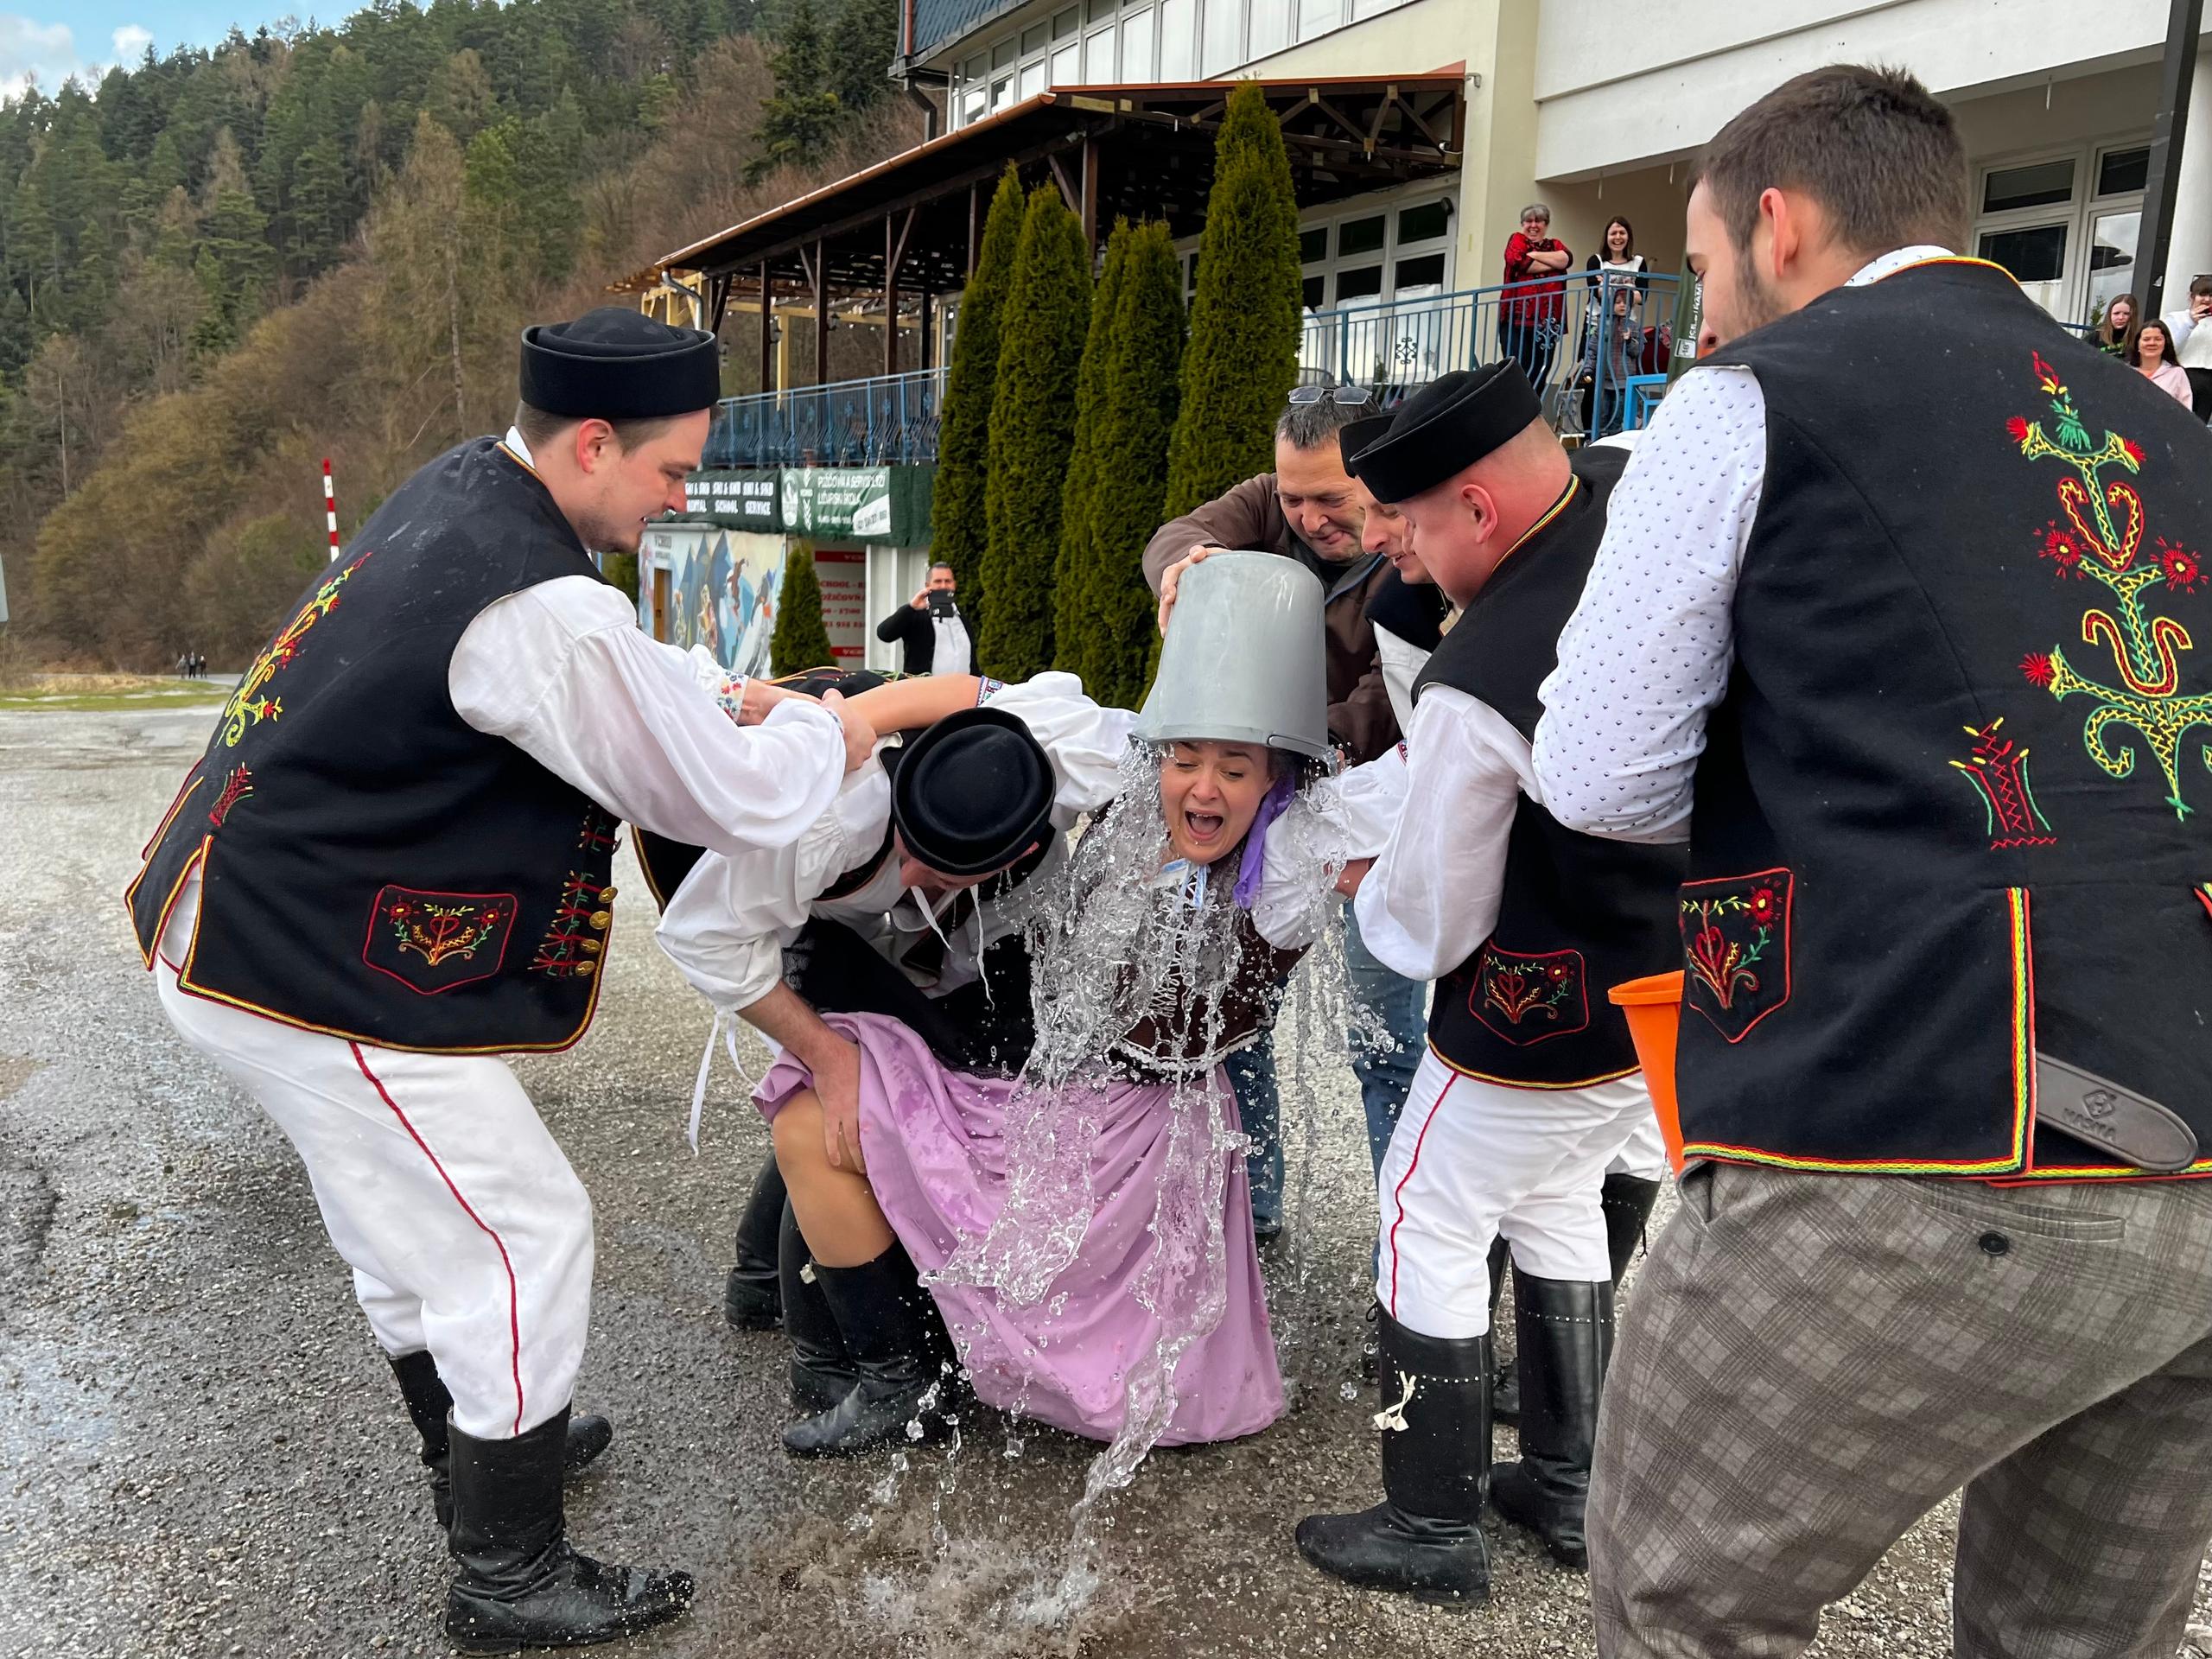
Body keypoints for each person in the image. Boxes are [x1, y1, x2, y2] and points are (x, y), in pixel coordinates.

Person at [1532, 65, 2212, 1659]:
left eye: (1699, 272)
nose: (1700, 319)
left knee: (1686, 1598)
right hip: (2202, 1143)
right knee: (2083, 1643)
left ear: (1778, 225)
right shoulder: (2172, 428)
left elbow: (1601, 778)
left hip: (1927, 1111)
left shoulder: (1752, 396)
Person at [125, 307, 875, 1655]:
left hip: (230, 930)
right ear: (594, 443)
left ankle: (486, 1437)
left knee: (402, 1215)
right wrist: (836, 730)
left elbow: (622, 682)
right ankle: (509, 1572)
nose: (682, 496)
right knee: (523, 1230)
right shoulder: (545, 606)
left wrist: (711, 691)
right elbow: (723, 799)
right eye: (670, 471)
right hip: (305, 960)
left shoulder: (468, 488)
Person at [677, 565, 1386, 1457]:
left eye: (1235, 769)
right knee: (821, 1078)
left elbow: (1429, 796)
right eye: (1187, 760)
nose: (1203, 787)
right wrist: (858, 717)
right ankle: (855, 1348)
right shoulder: (1118, 766)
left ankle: (896, 1357)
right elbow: (706, 939)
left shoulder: (1284, 843)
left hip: (1130, 1137)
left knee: (838, 1100)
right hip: (1054, 1096)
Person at [1291, 366, 1683, 1608]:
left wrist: (1361, 879)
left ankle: (1429, 1523)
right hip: (1662, 979)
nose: (1397, 554)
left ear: (1478, 505)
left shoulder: (1479, 676)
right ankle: (1567, 1484)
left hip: (1536, 1006)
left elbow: (1435, 915)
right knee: (1562, 1202)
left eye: (1409, 524)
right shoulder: (1626, 505)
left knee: (1428, 1214)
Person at [1144, 394, 1424, 1240]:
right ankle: (1253, 1213)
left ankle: (1404, 1239)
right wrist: (1185, 565)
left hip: (1370, 814)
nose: (1305, 518)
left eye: (1328, 501)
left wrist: (1306, 745)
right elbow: (1174, 533)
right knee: (1237, 1018)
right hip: (1263, 807)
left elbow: (1394, 696)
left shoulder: (1407, 539)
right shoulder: (1268, 501)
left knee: (1387, 1044)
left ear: (1371, 482)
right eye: (1294, 498)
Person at [1499, 204, 1572, 391]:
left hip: (1547, 323)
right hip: (1516, 321)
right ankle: (1515, 414)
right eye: (1529, 221)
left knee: (1541, 371)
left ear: (1546, 225)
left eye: (1539, 221)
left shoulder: (1555, 244)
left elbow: (1567, 259)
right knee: (1515, 370)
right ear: (1522, 224)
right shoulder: (1517, 239)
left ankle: (1532, 415)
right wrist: (1553, 263)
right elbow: (1518, 261)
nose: (1533, 225)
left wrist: (1534, 255)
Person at [874, 561, 975, 676]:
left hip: (962, 690)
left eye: (948, 581)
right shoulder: (916, 615)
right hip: (925, 690)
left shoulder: (962, 617)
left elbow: (971, 659)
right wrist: (911, 607)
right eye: (938, 581)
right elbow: (884, 633)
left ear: (954, 585)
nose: (944, 586)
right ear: (928, 586)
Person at [2169, 273, 2212, 420]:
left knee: (2200, 427)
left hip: (2209, 380)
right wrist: (2191, 322)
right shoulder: (2176, 318)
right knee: (2177, 421)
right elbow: (2170, 349)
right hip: (2183, 375)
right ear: (2192, 296)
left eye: (2211, 295)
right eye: (2202, 294)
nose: (2207, 300)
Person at [2130, 316, 2195, 411]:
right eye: (2146, 339)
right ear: (2138, 344)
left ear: (2165, 343)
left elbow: (2187, 412)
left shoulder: (2177, 374)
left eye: (2158, 339)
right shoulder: (2127, 372)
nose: (2152, 343)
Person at [2094, 289, 2136, 354]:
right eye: (2116, 313)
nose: (2121, 317)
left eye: (2126, 314)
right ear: (2109, 314)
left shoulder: (2140, 339)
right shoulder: (2094, 338)